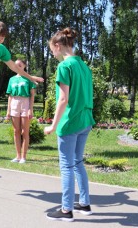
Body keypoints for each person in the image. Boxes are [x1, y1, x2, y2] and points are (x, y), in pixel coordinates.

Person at [44, 28, 95, 222]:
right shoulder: (83, 65)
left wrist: (53, 125)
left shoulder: (64, 67)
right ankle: (85, 203)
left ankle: (66, 210)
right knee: (77, 162)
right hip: (85, 120)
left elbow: (63, 99)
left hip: (70, 122)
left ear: (58, 46)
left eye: (52, 50)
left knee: (66, 166)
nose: (53, 55)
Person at [6, 59, 36, 164]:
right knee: (16, 131)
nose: (17, 66)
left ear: (24, 66)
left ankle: (24, 157)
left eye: (20, 65)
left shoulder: (28, 79)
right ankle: (18, 156)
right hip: (14, 102)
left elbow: (32, 95)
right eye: (16, 65)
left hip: (25, 103)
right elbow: (9, 96)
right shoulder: (11, 79)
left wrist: (30, 109)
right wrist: (8, 111)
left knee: (25, 131)